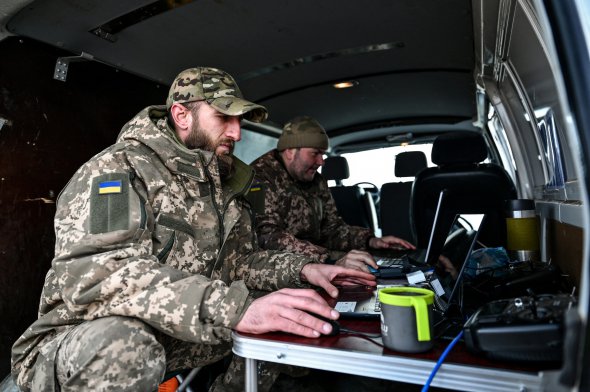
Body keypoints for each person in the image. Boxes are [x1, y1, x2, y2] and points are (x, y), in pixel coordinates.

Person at [10, 67, 376, 392]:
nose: (237, 132)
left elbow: (241, 262)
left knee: (289, 315)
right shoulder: (117, 171)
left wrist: (303, 268)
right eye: (224, 118)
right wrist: (235, 309)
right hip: (82, 340)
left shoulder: (223, 181)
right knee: (125, 345)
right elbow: (99, 273)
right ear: (182, 115)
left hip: (178, 331)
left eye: (240, 122)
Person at [248, 115, 415, 272]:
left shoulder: (316, 180)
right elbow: (267, 237)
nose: (321, 162)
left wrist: (371, 241)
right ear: (290, 151)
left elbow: (332, 229)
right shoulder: (260, 178)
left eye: (323, 154)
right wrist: (329, 260)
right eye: (315, 153)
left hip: (316, 261)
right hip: (279, 268)